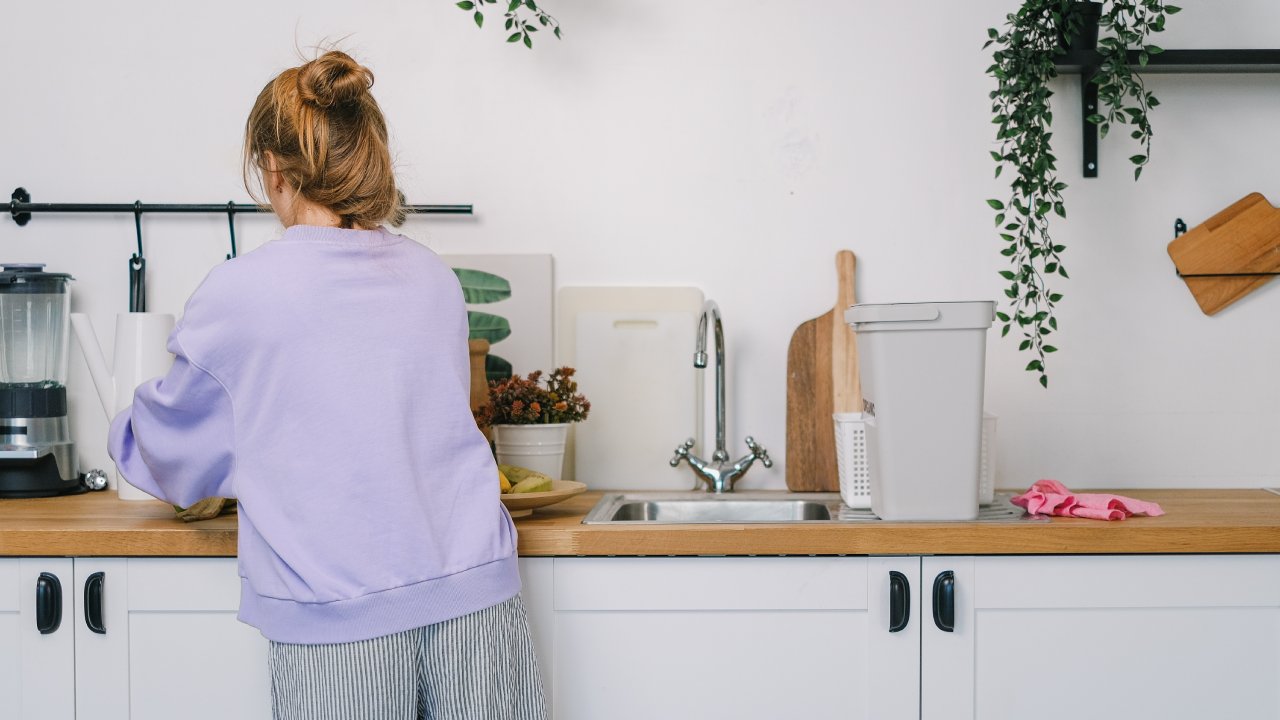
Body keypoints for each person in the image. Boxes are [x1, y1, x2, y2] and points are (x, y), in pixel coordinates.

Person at [107, 49, 548, 720]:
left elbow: (177, 457)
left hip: (341, 616)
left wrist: (124, 434)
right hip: (477, 601)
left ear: (274, 169)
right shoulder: (431, 278)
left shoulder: (241, 293)